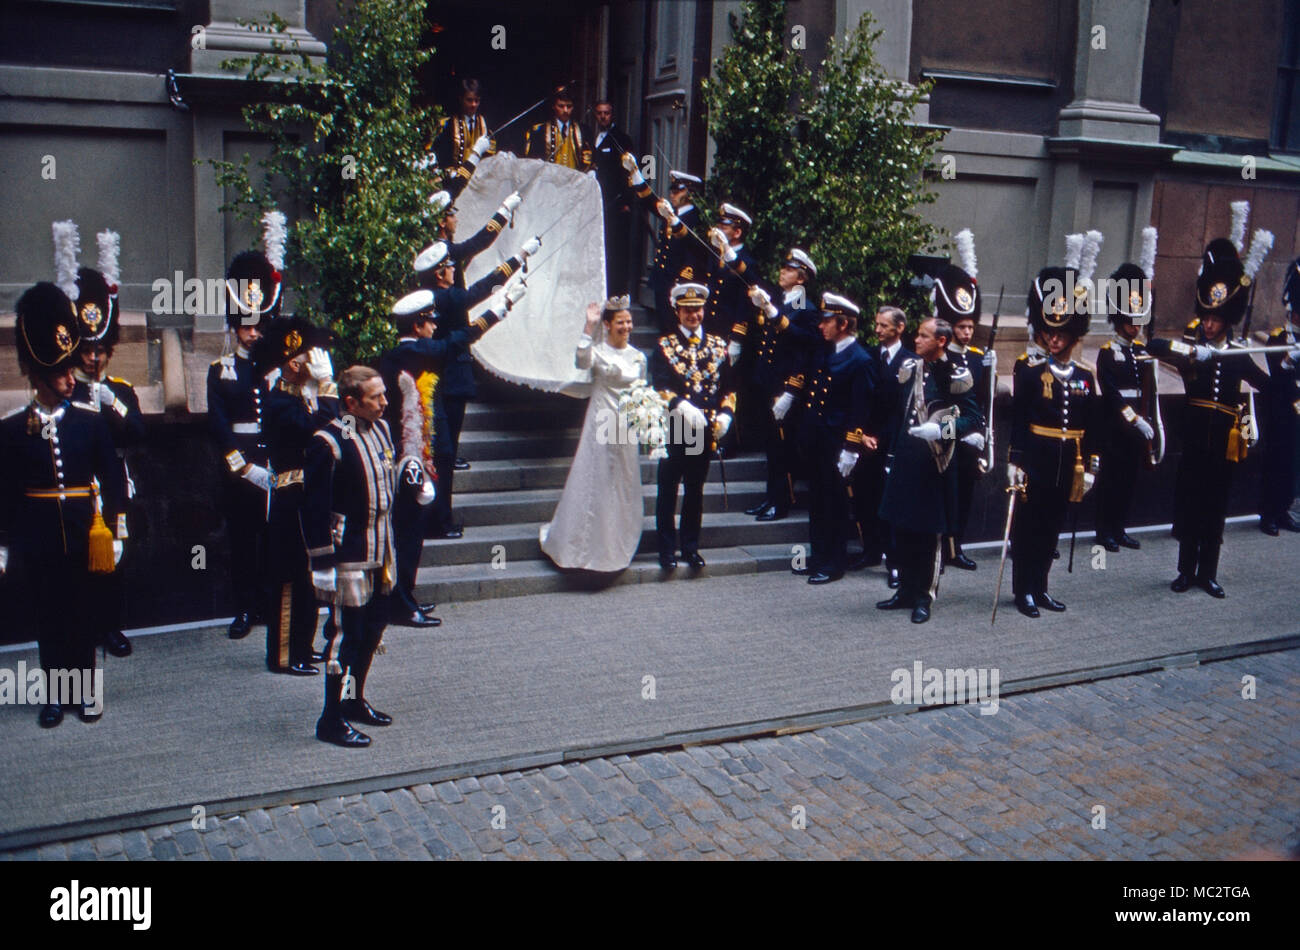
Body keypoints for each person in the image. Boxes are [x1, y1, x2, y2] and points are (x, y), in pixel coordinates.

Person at [0, 282, 127, 727]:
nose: (71, 379)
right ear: (38, 376)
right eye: (60, 374)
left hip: (84, 530)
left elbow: (113, 479)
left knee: (84, 614)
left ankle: (88, 691)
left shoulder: (90, 424)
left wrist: (116, 530)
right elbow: (5, 491)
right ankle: (56, 695)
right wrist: (2, 545)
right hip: (38, 536)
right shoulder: (12, 430)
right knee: (48, 617)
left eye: (70, 371)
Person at [379, 283, 523, 626]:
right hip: (406, 458)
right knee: (408, 534)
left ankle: (405, 596)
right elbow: (456, 341)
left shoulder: (407, 353)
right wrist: (498, 311)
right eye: (430, 322)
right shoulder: (411, 353)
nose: (434, 328)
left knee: (411, 533)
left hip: (412, 453)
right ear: (417, 326)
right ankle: (400, 602)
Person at [1147, 236, 1272, 597]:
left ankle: (1208, 572)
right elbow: (1154, 346)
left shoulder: (1236, 354)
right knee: (1190, 503)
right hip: (1195, 437)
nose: (1211, 325)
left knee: (1215, 509)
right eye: (1207, 318)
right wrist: (1191, 352)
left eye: (1217, 320)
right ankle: (1185, 571)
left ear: (1228, 321)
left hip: (1224, 444)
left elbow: (1263, 387)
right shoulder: (1193, 348)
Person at [303, 366, 399, 748]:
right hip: (348, 553)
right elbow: (313, 507)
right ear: (350, 403)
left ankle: (354, 699)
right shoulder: (328, 441)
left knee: (374, 627)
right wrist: (321, 562)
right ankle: (330, 719)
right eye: (375, 398)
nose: (384, 403)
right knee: (345, 636)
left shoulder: (382, 429)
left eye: (383, 394)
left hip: (382, 546)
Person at [415, 238, 535, 538]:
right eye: (449, 267)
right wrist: (518, 258)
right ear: (440, 273)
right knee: (445, 454)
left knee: (442, 454)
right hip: (450, 382)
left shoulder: (433, 297)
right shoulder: (444, 299)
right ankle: (439, 520)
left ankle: (439, 517)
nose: (454, 270)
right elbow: (481, 289)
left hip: (444, 380)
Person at [1007, 260, 1101, 618]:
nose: (1054, 338)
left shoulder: (1085, 376)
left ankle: (1042, 587)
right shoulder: (1029, 371)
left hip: (1069, 462)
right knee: (1029, 527)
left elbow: (1093, 425)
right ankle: (1023, 592)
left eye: (1061, 333)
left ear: (1074, 335)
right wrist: (1015, 460)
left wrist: (1091, 465)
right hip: (1037, 458)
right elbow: (1019, 418)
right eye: (1049, 332)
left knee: (1052, 527)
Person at [68, 239, 144, 658]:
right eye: (87, 350)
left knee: (114, 558)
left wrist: (112, 403)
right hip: (78, 484)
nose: (94, 358)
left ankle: (112, 627)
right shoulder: (63, 391)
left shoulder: (122, 390)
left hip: (112, 483)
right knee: (79, 559)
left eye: (100, 350)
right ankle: (84, 626)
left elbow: (136, 432)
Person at [209, 222, 284, 640]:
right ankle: (243, 608)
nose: (253, 333)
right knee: (242, 542)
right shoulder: (220, 371)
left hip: (275, 464)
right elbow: (218, 425)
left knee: (273, 539)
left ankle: (270, 605)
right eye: (245, 327)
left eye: (258, 326)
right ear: (235, 327)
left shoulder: (275, 367)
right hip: (241, 470)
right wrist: (243, 468)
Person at [877, 318, 978, 623]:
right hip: (907, 458)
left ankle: (925, 595)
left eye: (923, 336)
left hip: (934, 461)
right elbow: (901, 413)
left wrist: (942, 430)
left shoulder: (956, 374)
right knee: (903, 528)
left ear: (941, 342)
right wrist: (892, 453)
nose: (916, 340)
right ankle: (906, 590)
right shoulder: (911, 367)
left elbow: (973, 418)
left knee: (928, 534)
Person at [540, 297, 648, 571]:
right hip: (601, 421)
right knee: (595, 479)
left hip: (625, 427)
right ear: (608, 325)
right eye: (620, 322)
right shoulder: (597, 351)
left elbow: (641, 391)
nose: (626, 326)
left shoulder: (638, 356)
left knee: (622, 481)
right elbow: (580, 360)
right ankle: (582, 545)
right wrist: (588, 327)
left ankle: (616, 542)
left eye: (629, 321)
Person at [256, 317, 338, 674]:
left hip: (304, 496)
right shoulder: (279, 403)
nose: (313, 362)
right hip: (289, 499)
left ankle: (303, 646)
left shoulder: (298, 401)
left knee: (305, 575)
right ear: (293, 362)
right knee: (289, 577)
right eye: (307, 355)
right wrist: (328, 387)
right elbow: (320, 432)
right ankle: (284, 655)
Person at [651, 273, 737, 571]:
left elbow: (728, 387)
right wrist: (681, 404)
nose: (693, 315)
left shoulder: (717, 345)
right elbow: (659, 386)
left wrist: (727, 413)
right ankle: (665, 551)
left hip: (705, 431)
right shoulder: (665, 345)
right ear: (677, 311)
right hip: (675, 429)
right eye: (687, 310)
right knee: (667, 491)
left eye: (697, 309)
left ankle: (690, 548)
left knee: (695, 492)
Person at [791, 294, 877, 585]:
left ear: (842, 324)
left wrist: (851, 449)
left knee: (835, 503)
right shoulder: (827, 351)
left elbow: (860, 409)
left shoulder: (861, 360)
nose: (821, 326)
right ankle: (818, 556)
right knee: (817, 501)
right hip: (817, 439)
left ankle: (834, 562)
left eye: (827, 321)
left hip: (838, 444)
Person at [745, 249, 818, 522]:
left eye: (788, 270)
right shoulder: (781, 301)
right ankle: (770, 498)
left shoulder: (804, 308)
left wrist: (791, 391)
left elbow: (804, 348)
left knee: (783, 448)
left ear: (800, 278)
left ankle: (782, 501)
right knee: (772, 446)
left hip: (786, 387)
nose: (781, 272)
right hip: (769, 382)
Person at [1094, 256, 1159, 552]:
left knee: (1128, 482)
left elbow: (1148, 390)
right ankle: (1104, 531)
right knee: (1111, 481)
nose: (1135, 327)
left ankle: (1119, 528)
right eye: (1131, 322)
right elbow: (1112, 394)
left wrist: (1149, 420)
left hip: (1136, 427)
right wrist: (1135, 420)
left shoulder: (1142, 351)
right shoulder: (1108, 353)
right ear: (1120, 320)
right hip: (1115, 427)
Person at [931, 252, 989, 571]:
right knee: (944, 497)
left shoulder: (979, 359)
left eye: (970, 326)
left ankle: (958, 547)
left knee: (964, 497)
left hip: (971, 442)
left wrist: (982, 437)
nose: (967, 332)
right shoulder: (940, 357)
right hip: (946, 439)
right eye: (961, 326)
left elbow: (982, 403)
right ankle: (940, 549)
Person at [857, 306, 915, 585]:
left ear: (900, 328)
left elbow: (907, 408)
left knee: (891, 504)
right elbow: (861, 400)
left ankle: (895, 563)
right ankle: (870, 550)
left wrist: (889, 439)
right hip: (866, 439)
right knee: (866, 498)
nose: (877, 330)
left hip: (893, 442)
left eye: (884, 326)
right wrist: (861, 435)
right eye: (876, 324)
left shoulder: (911, 361)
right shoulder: (868, 355)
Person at [625, 160, 703, 332]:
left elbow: (693, 252)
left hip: (678, 282)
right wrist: (635, 173)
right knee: (664, 328)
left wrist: (682, 282)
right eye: (672, 191)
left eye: (678, 191)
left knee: (675, 328)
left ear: (690, 193)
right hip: (662, 279)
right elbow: (650, 201)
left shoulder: (695, 219)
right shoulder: (672, 213)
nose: (673, 195)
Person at [1258, 257, 1300, 534]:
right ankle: (1268, 514)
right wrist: (1291, 358)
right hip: (1282, 409)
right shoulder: (1278, 337)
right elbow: (1277, 370)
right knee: (1276, 462)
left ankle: (1284, 509)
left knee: (1294, 464)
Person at [590, 100, 636, 296]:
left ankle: (615, 293)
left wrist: (626, 202)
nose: (603, 117)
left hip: (615, 206)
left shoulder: (622, 140)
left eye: (606, 113)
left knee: (614, 252)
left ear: (612, 115)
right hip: (595, 205)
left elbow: (632, 173)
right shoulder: (588, 136)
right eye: (599, 113)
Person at [524, 85, 592, 171]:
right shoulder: (539, 131)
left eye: (569, 106)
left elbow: (590, 158)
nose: (565, 110)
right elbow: (532, 162)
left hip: (575, 181)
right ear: (553, 106)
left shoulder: (584, 131)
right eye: (561, 106)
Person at [432, 78, 493, 173]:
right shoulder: (447, 125)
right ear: (461, 99)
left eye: (476, 101)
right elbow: (437, 154)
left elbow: (490, 159)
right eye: (469, 100)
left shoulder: (485, 126)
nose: (473, 104)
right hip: (452, 179)